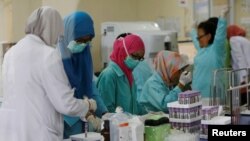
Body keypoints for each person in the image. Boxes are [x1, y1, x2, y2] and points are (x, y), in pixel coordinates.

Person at [0, 6, 96, 141]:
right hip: (39, 133)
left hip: (11, 132)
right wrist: (88, 105)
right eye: (58, 31)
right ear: (51, 28)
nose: (58, 38)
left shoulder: (10, 53)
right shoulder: (48, 55)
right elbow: (65, 104)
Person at [57, 11, 107, 138]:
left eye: (88, 40)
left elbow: (90, 85)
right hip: (65, 121)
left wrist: (105, 113)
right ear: (67, 34)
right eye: (79, 40)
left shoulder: (84, 54)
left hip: (83, 121)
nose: (83, 45)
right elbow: (59, 98)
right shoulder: (55, 59)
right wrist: (85, 111)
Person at [97, 33, 145, 115]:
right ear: (123, 51)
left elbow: (133, 105)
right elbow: (105, 111)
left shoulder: (128, 75)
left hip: (129, 126)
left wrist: (149, 115)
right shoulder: (109, 75)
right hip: (115, 126)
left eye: (140, 58)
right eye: (134, 56)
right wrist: (126, 119)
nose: (136, 61)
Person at [190, 9, 228, 105]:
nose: (198, 40)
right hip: (198, 96)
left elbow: (220, 36)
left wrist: (222, 18)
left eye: (200, 37)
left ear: (209, 36)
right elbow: (195, 39)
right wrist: (192, 29)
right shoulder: (201, 49)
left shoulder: (216, 50)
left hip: (213, 98)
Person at [227, 25, 249, 105]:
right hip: (246, 70)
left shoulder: (233, 40)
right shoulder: (242, 39)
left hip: (245, 73)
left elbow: (240, 58)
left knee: (244, 100)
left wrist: (243, 79)